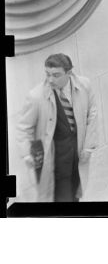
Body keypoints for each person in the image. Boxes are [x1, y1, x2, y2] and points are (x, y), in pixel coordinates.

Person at [16, 53, 98, 202]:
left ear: (69, 73)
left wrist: (88, 147)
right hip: (55, 164)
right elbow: (23, 127)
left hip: (78, 158)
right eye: (47, 74)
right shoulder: (36, 96)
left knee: (75, 195)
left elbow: (92, 114)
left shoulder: (84, 85)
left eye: (56, 75)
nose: (50, 80)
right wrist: (27, 154)